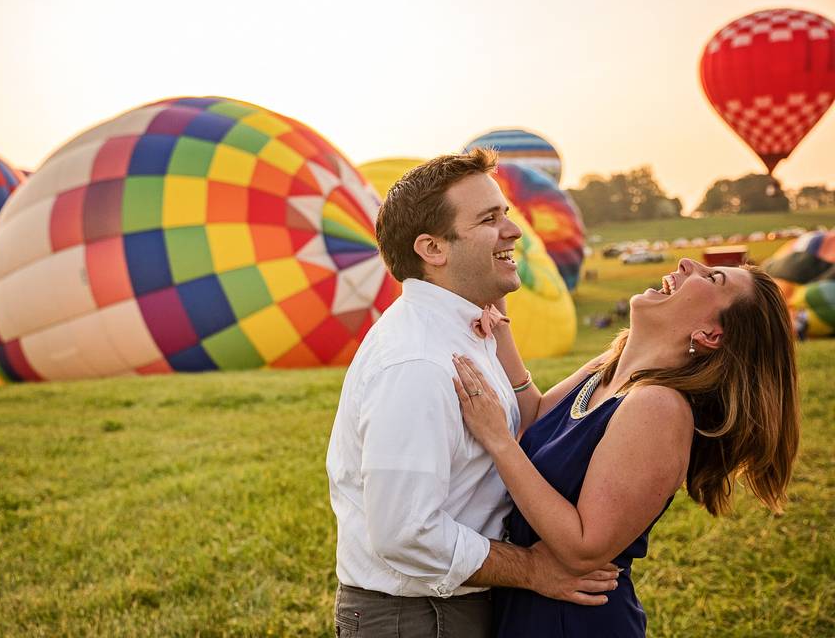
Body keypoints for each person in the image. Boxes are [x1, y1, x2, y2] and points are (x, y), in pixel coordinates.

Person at [326, 149, 620, 637]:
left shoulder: (461, 330)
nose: (514, 231)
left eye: (505, 213)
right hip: (418, 616)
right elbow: (404, 532)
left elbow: (530, 419)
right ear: (433, 249)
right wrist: (531, 568)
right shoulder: (416, 363)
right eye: (489, 219)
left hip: (445, 604)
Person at [450, 258, 800, 637]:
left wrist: (499, 440)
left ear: (710, 335)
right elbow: (536, 417)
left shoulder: (660, 407)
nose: (687, 264)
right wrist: (500, 326)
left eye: (713, 278)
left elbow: (584, 548)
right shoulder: (612, 367)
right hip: (528, 607)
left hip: (574, 622)